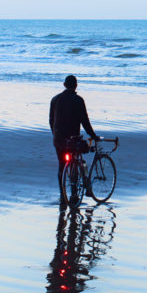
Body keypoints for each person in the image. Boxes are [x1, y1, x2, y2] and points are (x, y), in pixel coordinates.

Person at [49, 75, 100, 206]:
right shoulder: (78, 100)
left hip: (59, 140)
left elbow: (51, 121)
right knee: (77, 164)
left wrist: (55, 135)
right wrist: (93, 136)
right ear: (76, 86)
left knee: (62, 166)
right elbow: (85, 122)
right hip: (73, 140)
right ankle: (74, 194)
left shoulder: (55, 99)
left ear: (64, 85)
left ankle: (62, 195)